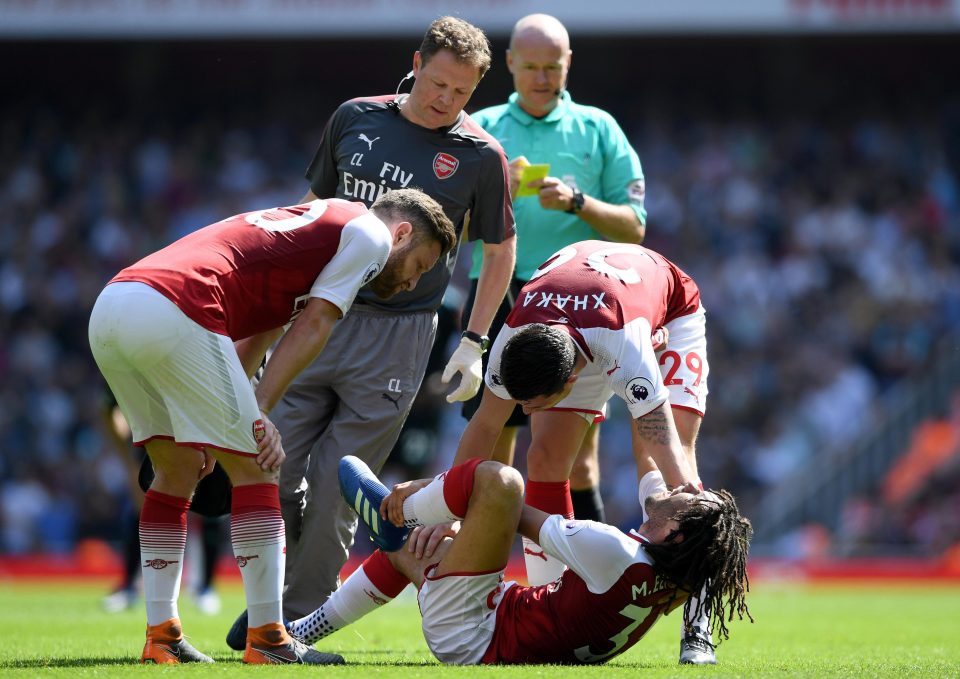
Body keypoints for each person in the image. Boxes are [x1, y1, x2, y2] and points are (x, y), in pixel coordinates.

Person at [88, 188, 456, 665]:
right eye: (421, 266)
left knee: (175, 472)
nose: (412, 283)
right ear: (401, 233)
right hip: (178, 306)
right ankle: (269, 639)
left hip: (115, 306)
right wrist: (258, 412)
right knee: (261, 466)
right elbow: (318, 323)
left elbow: (263, 335)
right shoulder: (369, 235)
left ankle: (162, 635)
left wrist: (237, 415)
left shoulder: (313, 238)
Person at [250, 15, 516, 631]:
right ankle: (262, 607)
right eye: (439, 83)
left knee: (338, 491)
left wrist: (474, 341)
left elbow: (498, 251)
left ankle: (292, 626)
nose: (446, 100)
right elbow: (310, 213)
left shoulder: (481, 155)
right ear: (416, 63)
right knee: (271, 468)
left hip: (400, 335)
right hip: (319, 315)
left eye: (462, 92)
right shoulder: (353, 118)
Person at [455, 239, 720, 663]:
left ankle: (699, 623)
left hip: (663, 312)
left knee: (664, 470)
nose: (523, 412)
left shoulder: (628, 348)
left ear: (567, 383)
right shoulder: (515, 337)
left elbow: (662, 444)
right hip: (582, 317)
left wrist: (686, 493)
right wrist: (453, 507)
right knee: (542, 458)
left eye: (534, 403)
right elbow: (485, 423)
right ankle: (547, 597)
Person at [281, 454, 751, 666]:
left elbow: (504, 509)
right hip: (499, 620)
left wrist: (427, 499)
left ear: (675, 532)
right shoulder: (679, 578)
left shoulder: (616, 551)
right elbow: (661, 490)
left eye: (689, 500)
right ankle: (297, 633)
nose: (682, 491)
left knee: (500, 481)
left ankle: (397, 516)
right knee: (422, 553)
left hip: (474, 633)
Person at [464, 14, 646, 529]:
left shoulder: (598, 127)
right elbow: (445, 228)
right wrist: (496, 188)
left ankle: (586, 580)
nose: (543, 78)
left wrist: (579, 203)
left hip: (576, 299)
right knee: (493, 456)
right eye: (531, 67)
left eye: (553, 66)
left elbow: (635, 226)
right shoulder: (483, 129)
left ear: (569, 63)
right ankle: (483, 582)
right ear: (510, 65)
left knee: (570, 458)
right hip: (497, 295)